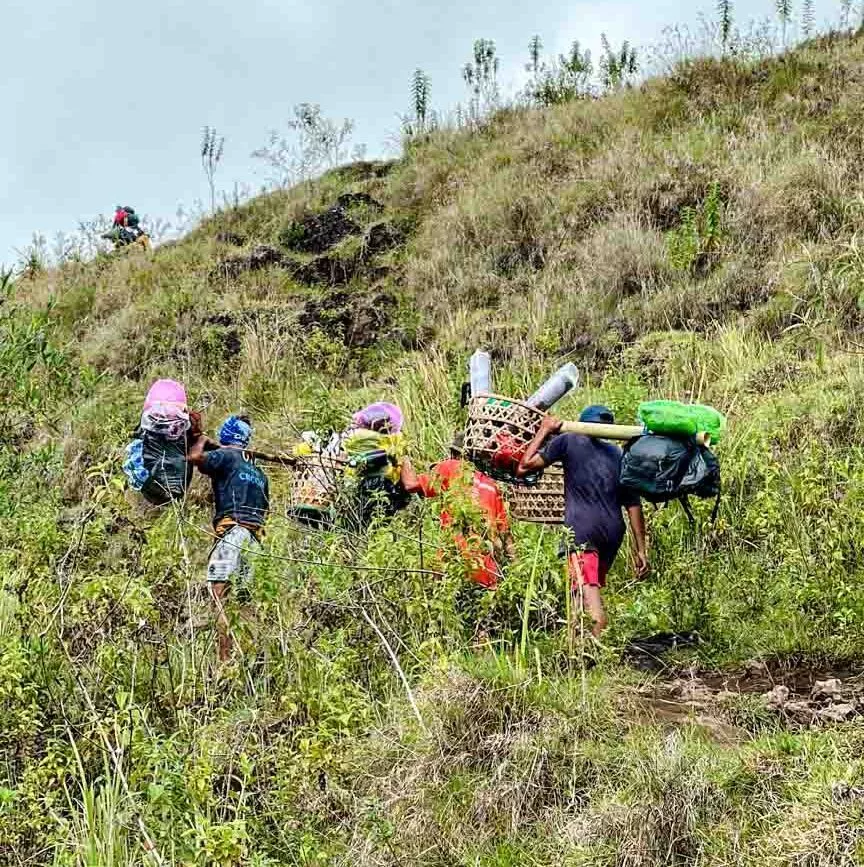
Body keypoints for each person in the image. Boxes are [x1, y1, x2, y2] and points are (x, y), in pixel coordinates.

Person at [518, 405, 648, 639]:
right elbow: (633, 505)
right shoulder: (618, 455)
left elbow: (524, 466)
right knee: (580, 594)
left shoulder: (569, 440)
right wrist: (641, 550)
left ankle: (593, 648)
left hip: (582, 533)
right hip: (613, 535)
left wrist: (544, 430)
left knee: (592, 608)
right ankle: (574, 657)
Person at [187, 414, 270, 662]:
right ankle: (253, 659)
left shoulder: (227, 456)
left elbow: (195, 459)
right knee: (246, 604)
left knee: (220, 598)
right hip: (255, 542)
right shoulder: (259, 473)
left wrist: (200, 440)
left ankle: (224, 663)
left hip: (231, 535)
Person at [402, 435, 515, 589]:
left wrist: (403, 459)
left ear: (457, 455)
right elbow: (507, 540)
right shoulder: (492, 486)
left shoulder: (450, 467)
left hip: (453, 567)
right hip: (487, 574)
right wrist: (515, 575)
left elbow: (410, 484)